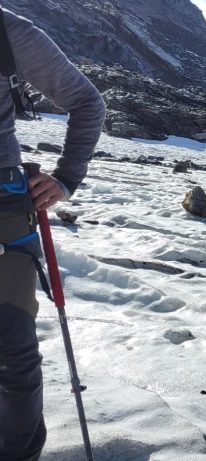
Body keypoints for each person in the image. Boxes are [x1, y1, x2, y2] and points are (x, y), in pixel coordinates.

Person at [0, 7, 105, 461]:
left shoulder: (7, 31)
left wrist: (66, 177)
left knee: (11, 353)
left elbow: (87, 102)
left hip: (3, 209)